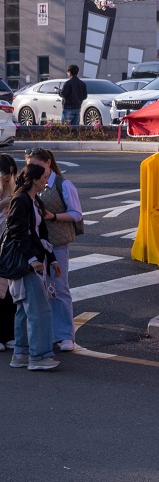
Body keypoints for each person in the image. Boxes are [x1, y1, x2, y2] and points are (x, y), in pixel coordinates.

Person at [2, 163, 61, 371]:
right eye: (44, 177)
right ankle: (37, 356)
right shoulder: (22, 200)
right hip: (24, 263)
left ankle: (20, 354)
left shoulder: (33, 200)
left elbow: (39, 234)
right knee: (38, 309)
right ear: (34, 180)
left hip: (29, 261)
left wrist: (51, 259)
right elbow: (18, 232)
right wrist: (32, 260)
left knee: (23, 309)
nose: (47, 180)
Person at [28, 148, 82, 352]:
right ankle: (50, 332)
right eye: (30, 166)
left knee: (59, 288)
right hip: (36, 244)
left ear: (48, 162)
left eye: (37, 165)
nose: (33, 170)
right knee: (40, 290)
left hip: (56, 243)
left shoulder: (63, 184)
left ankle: (66, 335)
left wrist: (54, 216)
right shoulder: (30, 184)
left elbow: (76, 214)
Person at [0, 155, 16, 349]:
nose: (8, 177)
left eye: (11, 173)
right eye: (5, 173)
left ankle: (8, 334)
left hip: (8, 247)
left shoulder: (12, 189)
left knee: (9, 293)